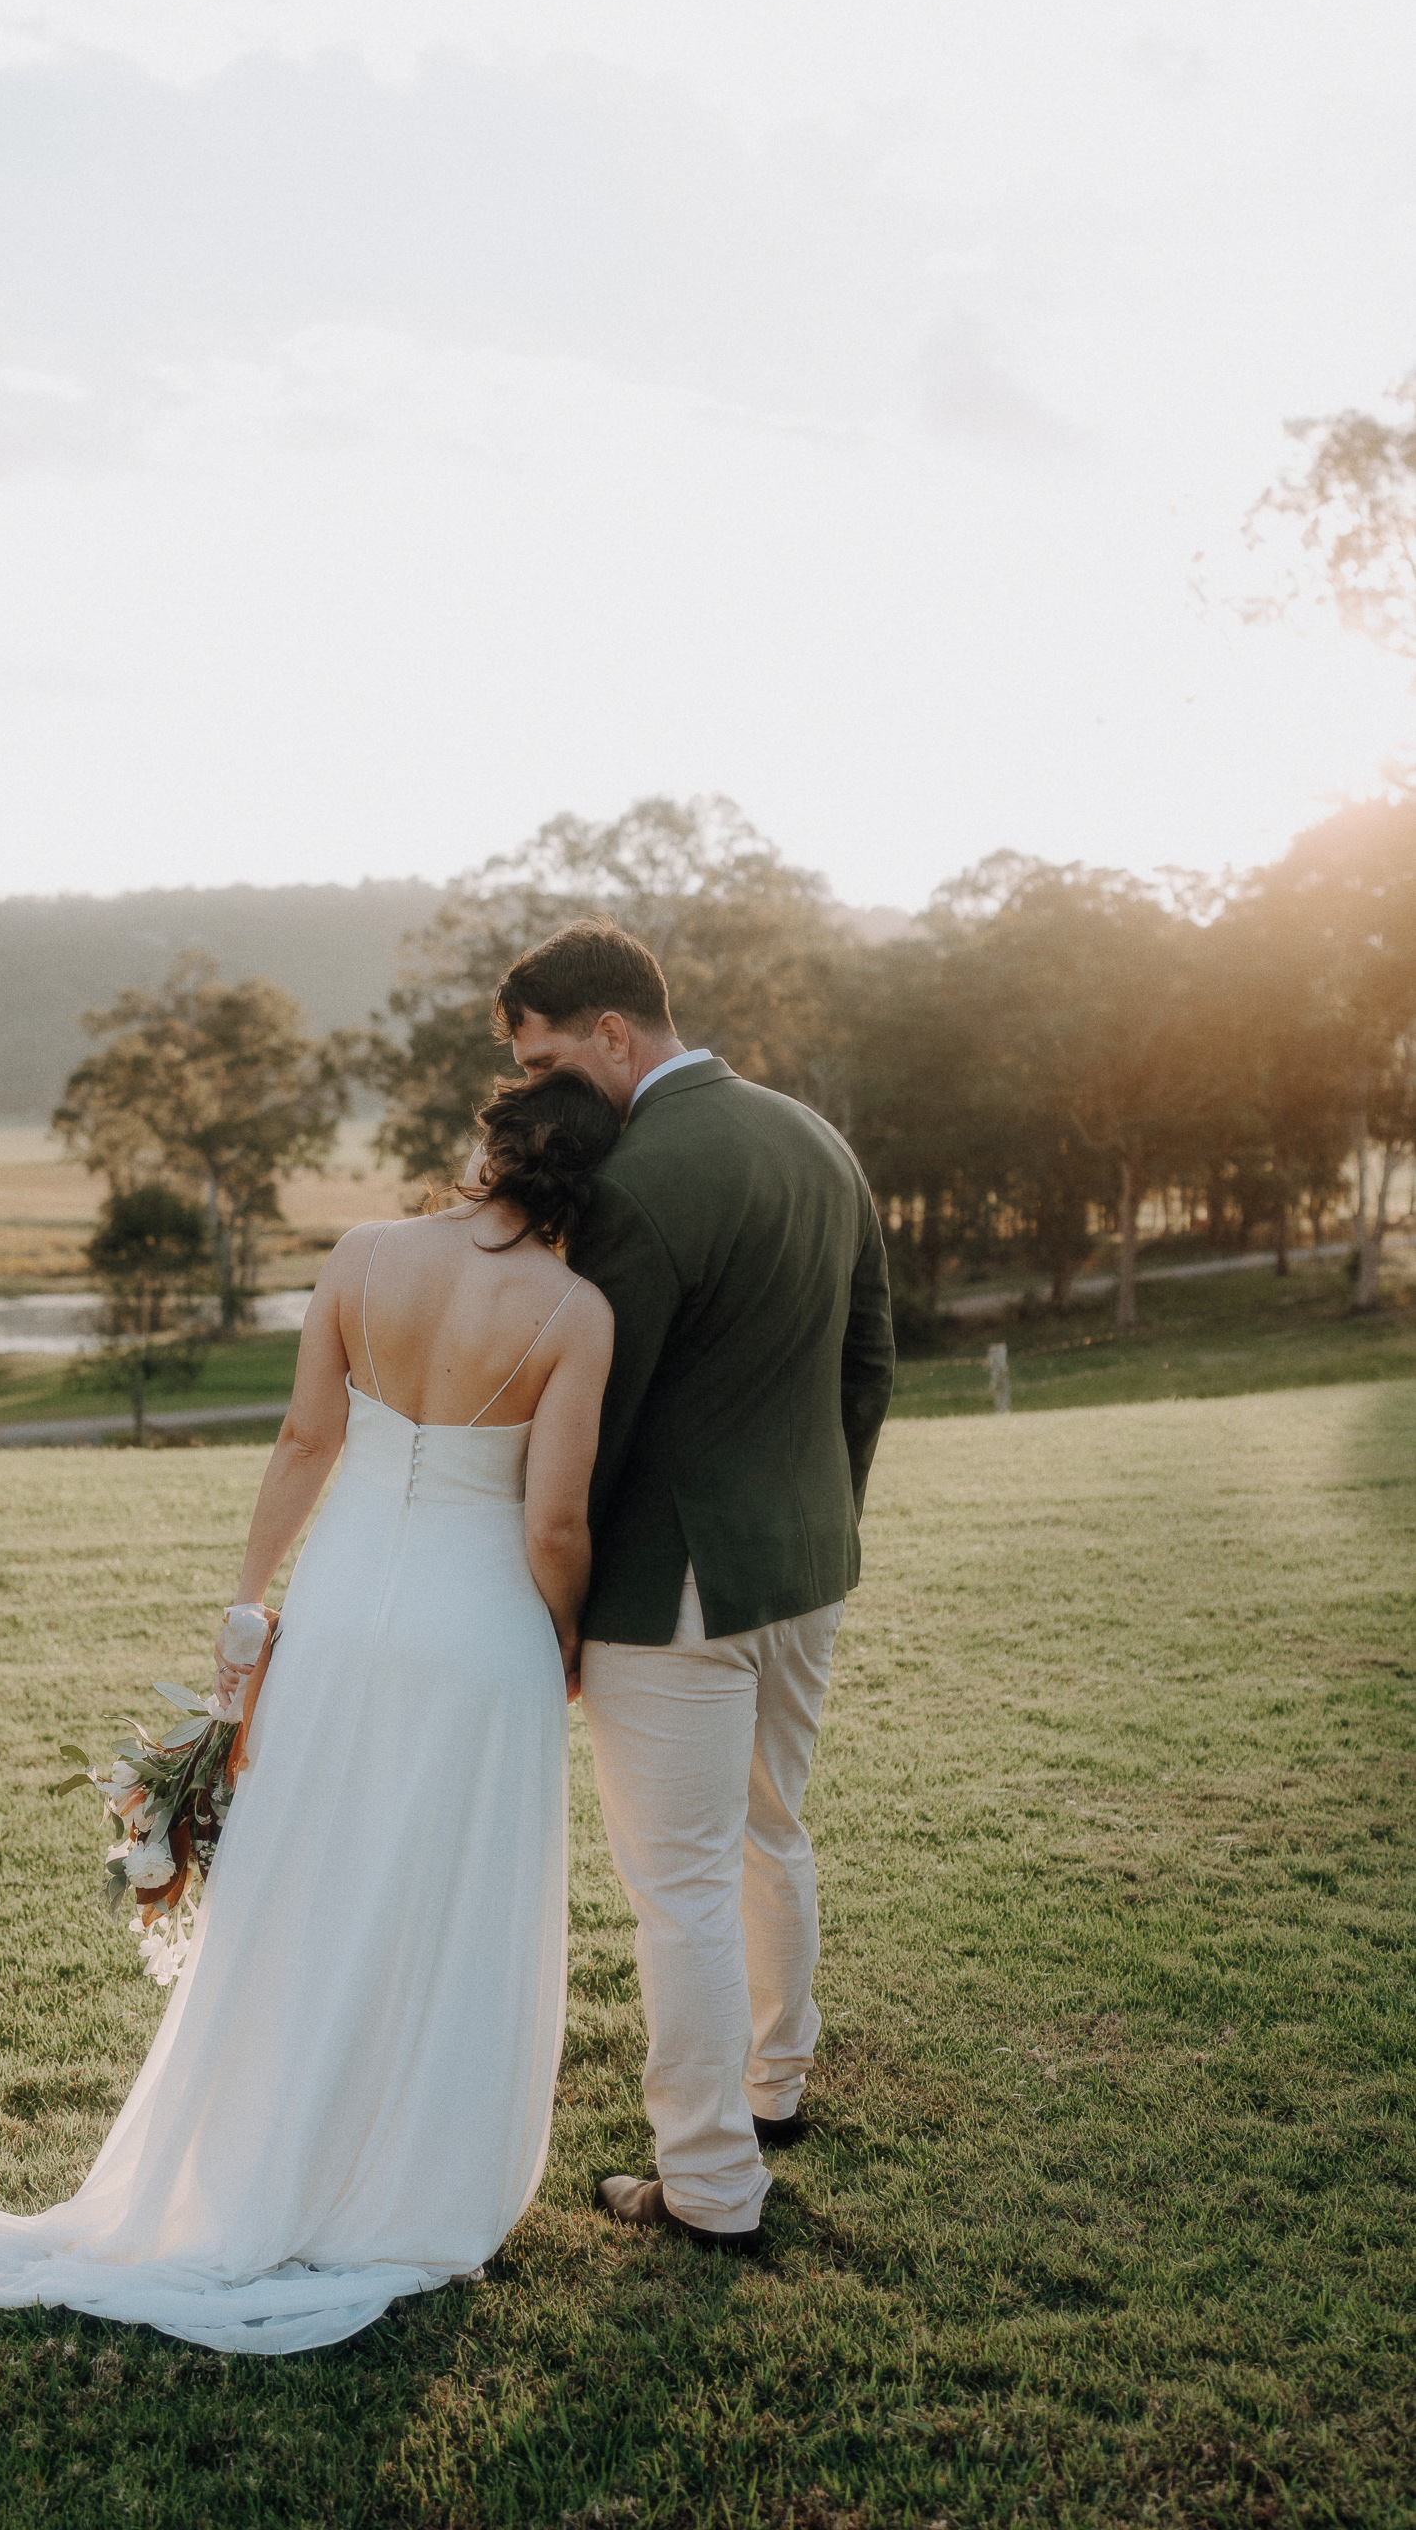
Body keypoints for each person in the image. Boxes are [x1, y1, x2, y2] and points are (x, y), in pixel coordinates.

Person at [0, 1068, 618, 2356]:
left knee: (303, 1890)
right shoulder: (577, 1312)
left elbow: (307, 1441)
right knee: (445, 1900)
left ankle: (265, 2155)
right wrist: (570, 1638)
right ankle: (404, 2177)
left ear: (484, 1150)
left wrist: (250, 1604)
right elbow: (553, 1519)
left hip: (343, 1613)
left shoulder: (366, 1255)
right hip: (481, 1641)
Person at [498, 917, 895, 2255]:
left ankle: (712, 2181)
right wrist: (819, 1520)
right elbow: (870, 1366)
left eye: (551, 1059)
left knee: (680, 1890)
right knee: (769, 1831)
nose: (548, 1089)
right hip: (805, 1571)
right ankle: (775, 2086)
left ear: (614, 1033)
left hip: (673, 1593)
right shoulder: (816, 1137)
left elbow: (592, 1432)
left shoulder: (638, 1184)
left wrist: (560, 1611)